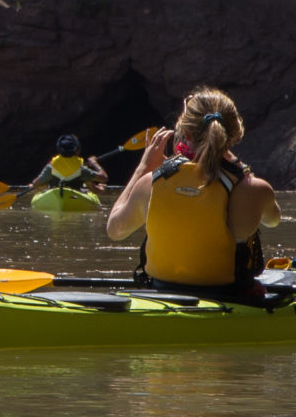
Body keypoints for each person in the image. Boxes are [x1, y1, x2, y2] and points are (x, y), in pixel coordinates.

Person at [104, 89, 280, 290]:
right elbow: (273, 220)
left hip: (162, 290)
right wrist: (240, 170)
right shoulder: (254, 189)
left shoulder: (150, 182)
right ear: (235, 133)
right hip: (230, 295)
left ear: (186, 134)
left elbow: (114, 230)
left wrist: (144, 168)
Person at [28, 134, 97, 202]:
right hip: (74, 194)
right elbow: (97, 186)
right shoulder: (82, 168)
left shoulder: (51, 166)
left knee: (42, 185)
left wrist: (37, 186)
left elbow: (36, 183)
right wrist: (94, 163)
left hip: (56, 191)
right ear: (77, 149)